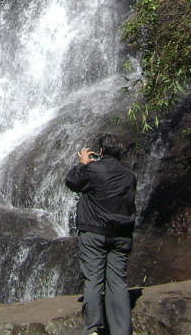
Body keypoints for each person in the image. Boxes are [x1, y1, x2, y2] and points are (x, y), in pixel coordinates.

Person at [65, 134, 137, 335]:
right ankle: (121, 331)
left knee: (94, 280)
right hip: (121, 234)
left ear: (101, 151)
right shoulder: (129, 175)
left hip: (94, 233)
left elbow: (71, 182)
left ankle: (93, 329)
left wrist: (82, 164)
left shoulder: (92, 169)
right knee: (118, 282)